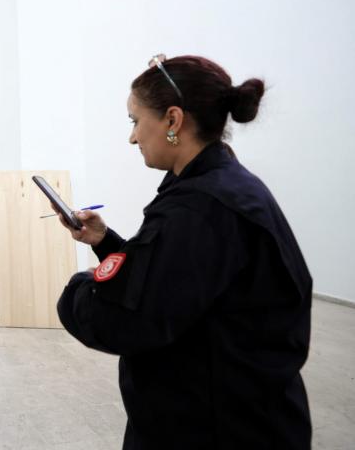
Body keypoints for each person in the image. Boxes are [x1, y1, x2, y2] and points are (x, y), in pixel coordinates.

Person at [56, 55, 312, 449]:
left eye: (135, 121)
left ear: (173, 121)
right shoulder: (224, 185)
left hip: (214, 429)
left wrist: (78, 289)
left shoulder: (200, 209)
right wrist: (106, 243)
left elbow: (128, 319)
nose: (132, 137)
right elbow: (178, 282)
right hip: (237, 414)